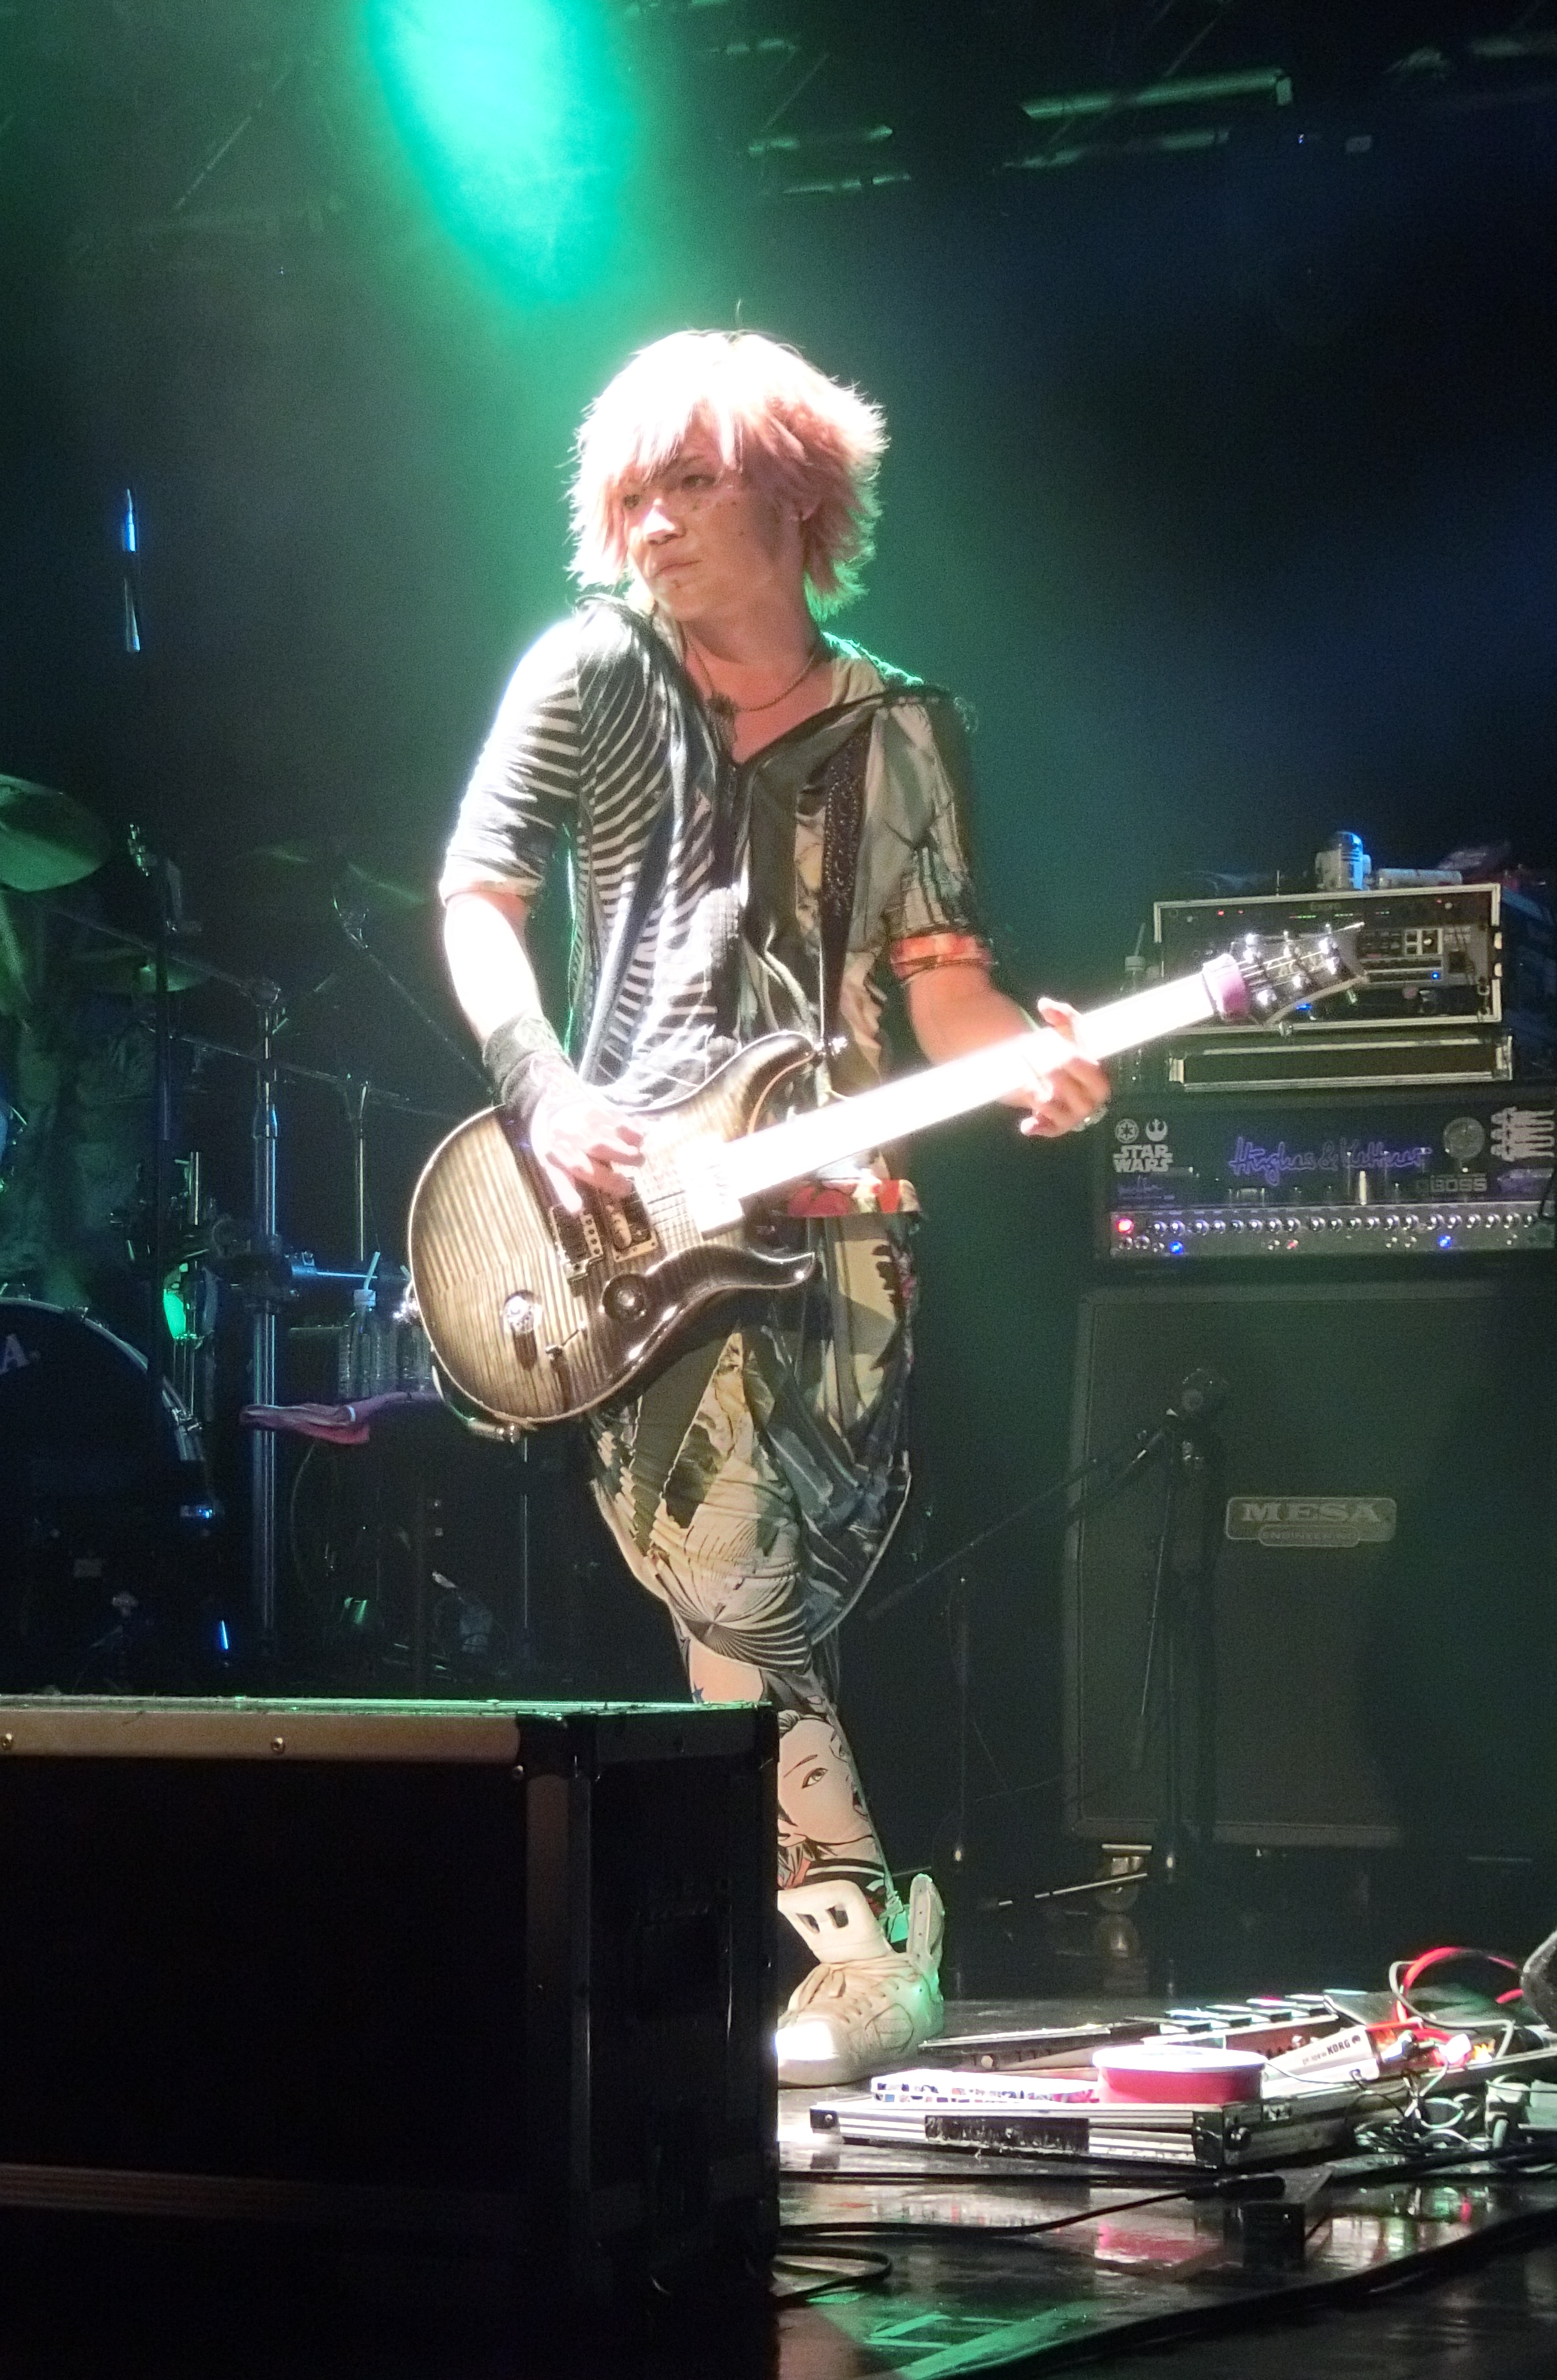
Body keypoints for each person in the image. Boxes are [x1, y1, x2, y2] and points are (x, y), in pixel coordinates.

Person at [438, 331, 1108, 2085]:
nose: (653, 523)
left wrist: (1029, 1064)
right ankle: (850, 1937)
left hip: (832, 1212)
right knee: (719, 1567)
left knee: (750, 1584)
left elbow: (942, 991)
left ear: (798, 500)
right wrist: (543, 1088)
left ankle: (835, 1932)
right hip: (629, 1206)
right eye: (632, 493)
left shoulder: (904, 729)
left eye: (693, 482)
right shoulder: (588, 673)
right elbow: (477, 900)